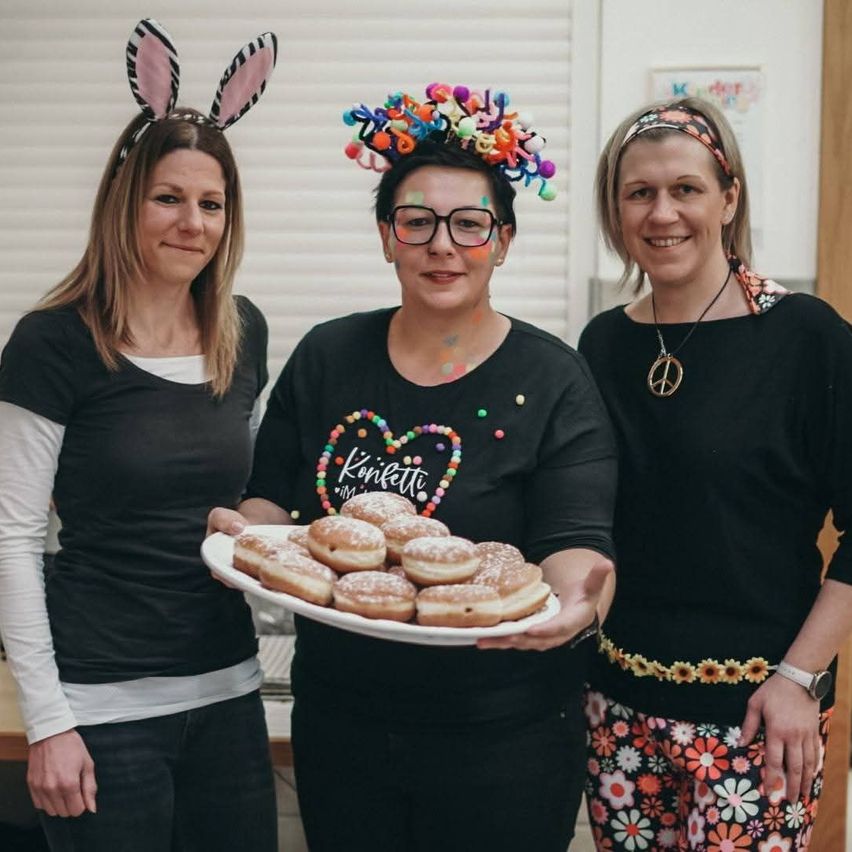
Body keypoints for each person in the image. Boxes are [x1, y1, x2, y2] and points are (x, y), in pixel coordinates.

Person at [208, 83, 617, 851]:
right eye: (416, 221)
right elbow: (273, 505)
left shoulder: (554, 378)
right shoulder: (329, 357)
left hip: (508, 733)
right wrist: (241, 532)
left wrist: (574, 603)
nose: (442, 244)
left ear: (503, 240)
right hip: (342, 719)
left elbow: (577, 539)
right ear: (386, 236)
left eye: (470, 224)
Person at [0, 19, 279, 851]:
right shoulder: (54, 342)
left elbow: (245, 513)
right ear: (126, 202)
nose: (191, 222)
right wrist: (46, 721)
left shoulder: (243, 332)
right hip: (99, 709)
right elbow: (11, 537)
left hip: (229, 695)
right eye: (169, 198)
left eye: (211, 204)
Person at [578, 97, 852, 851]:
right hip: (618, 705)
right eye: (639, 193)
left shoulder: (807, 338)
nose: (662, 212)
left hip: (760, 712)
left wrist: (800, 680)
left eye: (686, 189)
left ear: (728, 198)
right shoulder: (602, 345)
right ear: (616, 210)